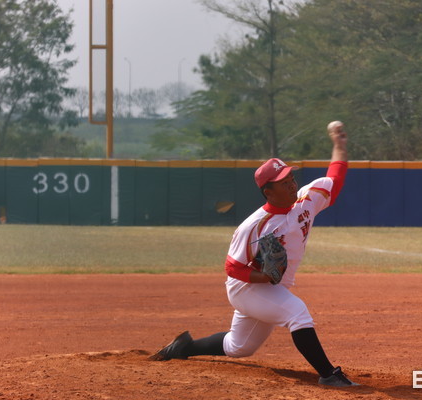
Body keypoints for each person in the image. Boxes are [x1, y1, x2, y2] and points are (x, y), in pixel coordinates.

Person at [150, 121, 357, 387]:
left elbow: (336, 178)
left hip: (271, 285)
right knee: (297, 313)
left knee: (240, 346)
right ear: (267, 191)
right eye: (283, 182)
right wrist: (264, 277)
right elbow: (233, 267)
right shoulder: (255, 225)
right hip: (246, 287)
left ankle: (183, 348)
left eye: (291, 178)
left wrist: (339, 145)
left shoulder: (308, 199)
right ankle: (329, 374)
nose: (292, 184)